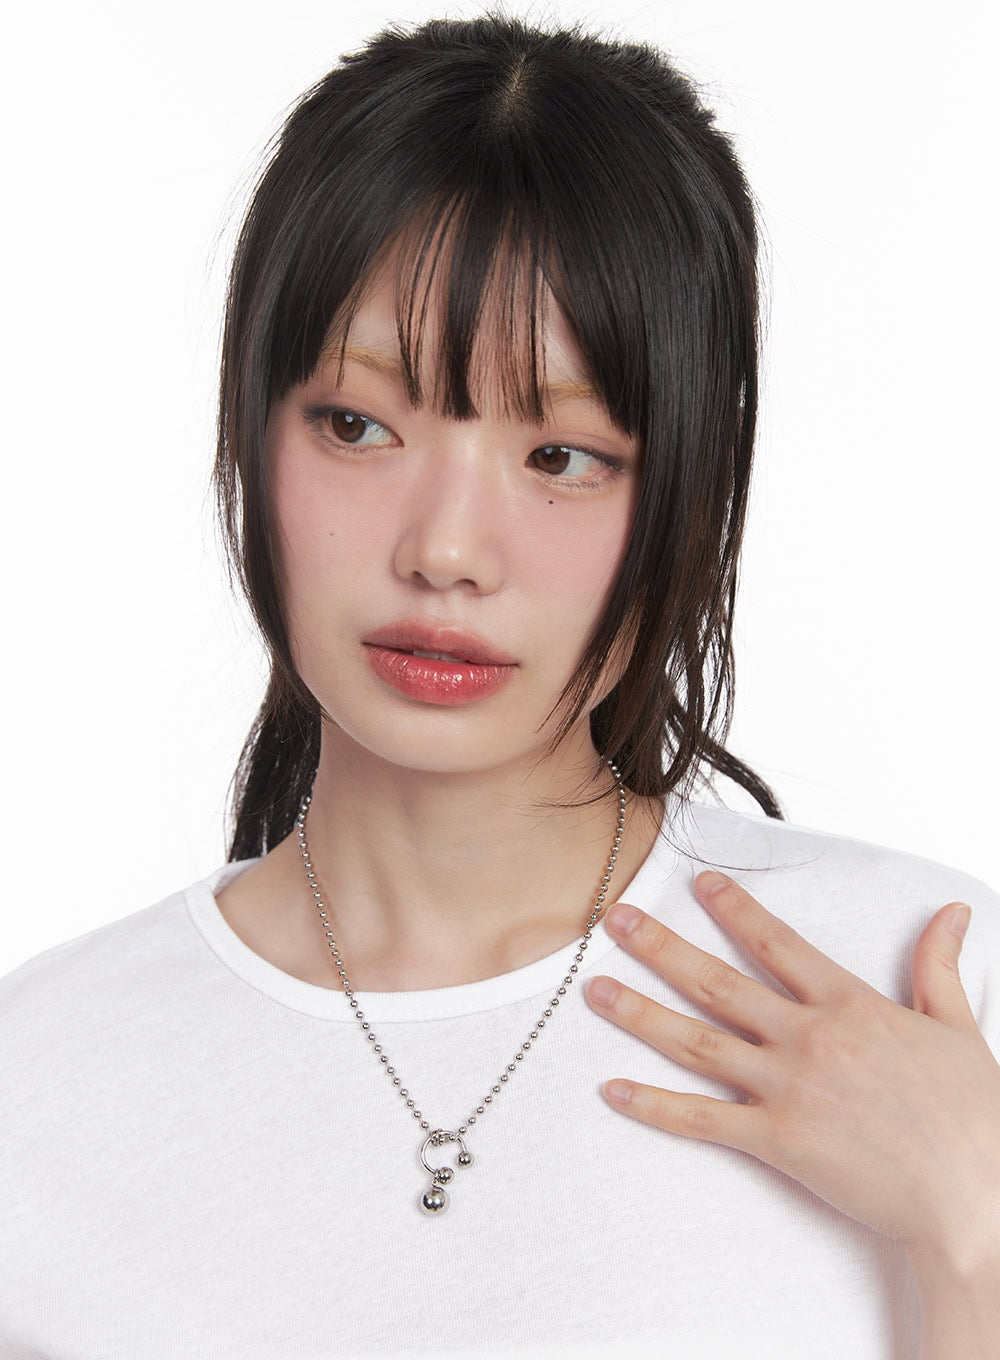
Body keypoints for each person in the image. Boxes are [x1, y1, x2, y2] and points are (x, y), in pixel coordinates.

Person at [1, 13, 998, 1359]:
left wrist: (977, 1229)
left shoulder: (925, 985)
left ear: (688, 490)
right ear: (250, 430)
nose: (447, 551)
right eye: (358, 424)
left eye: (563, 456)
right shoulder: (38, 1085)